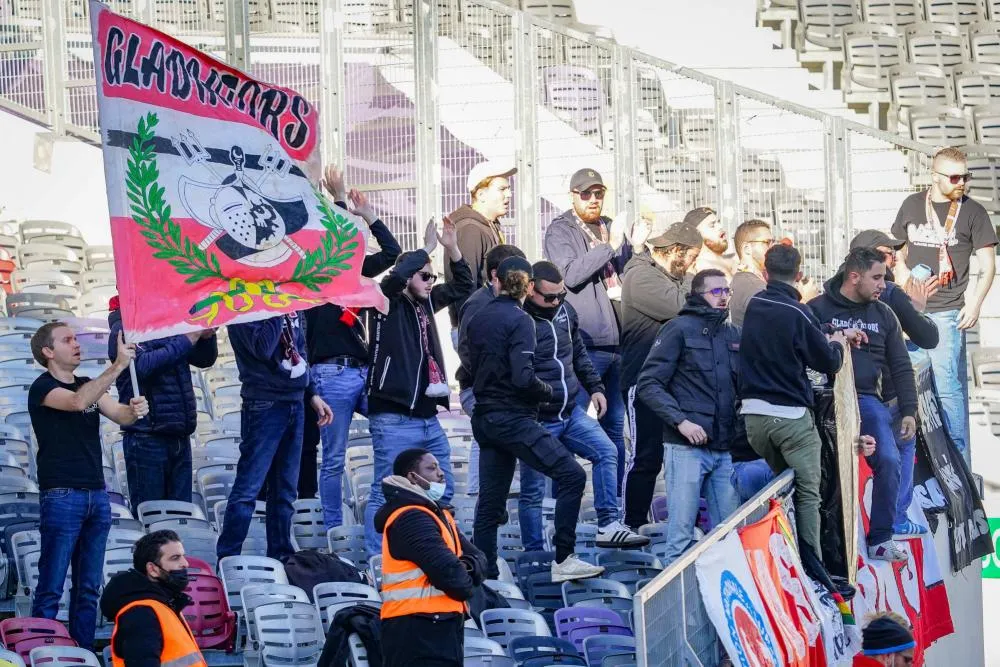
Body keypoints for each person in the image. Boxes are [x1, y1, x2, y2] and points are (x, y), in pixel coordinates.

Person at [466, 256, 604, 582]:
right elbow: (522, 376)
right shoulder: (521, 320)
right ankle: (564, 558)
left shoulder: (477, 315)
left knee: (490, 503)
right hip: (512, 417)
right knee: (571, 475)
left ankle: (482, 578)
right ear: (528, 287)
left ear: (496, 279)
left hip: (485, 417)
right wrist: (546, 392)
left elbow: (472, 365)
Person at [27, 324, 149, 649]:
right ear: (47, 352)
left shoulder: (86, 385)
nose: (76, 344)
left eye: (76, 339)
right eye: (67, 340)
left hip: (97, 493)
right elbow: (79, 402)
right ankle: (41, 651)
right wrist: (118, 365)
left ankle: (80, 653)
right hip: (63, 494)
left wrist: (134, 411)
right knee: (52, 585)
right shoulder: (42, 388)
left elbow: (119, 414)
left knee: (89, 586)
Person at [364, 218, 475, 556]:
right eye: (425, 276)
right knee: (385, 489)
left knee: (444, 487)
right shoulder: (385, 301)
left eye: (433, 277)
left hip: (428, 417)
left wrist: (451, 248)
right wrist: (424, 249)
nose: (431, 282)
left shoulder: (424, 302)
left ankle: (433, 550)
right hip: (393, 415)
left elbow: (463, 286)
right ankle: (376, 559)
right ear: (409, 276)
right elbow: (393, 278)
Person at [739, 244, 857, 561]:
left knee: (782, 486)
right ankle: (811, 567)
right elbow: (828, 362)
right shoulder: (798, 312)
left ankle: (777, 553)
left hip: (753, 418)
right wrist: (838, 343)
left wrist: (827, 329)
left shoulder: (754, 305)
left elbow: (794, 332)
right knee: (808, 494)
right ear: (800, 275)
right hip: (791, 419)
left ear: (765, 274)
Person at [520, 261, 649, 549]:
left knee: (606, 450)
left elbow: (578, 352)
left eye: (560, 295)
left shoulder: (565, 311)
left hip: (569, 411)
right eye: (549, 297)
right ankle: (535, 553)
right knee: (532, 489)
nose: (556, 302)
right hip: (537, 419)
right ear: (530, 290)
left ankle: (608, 524)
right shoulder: (519, 319)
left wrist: (596, 388)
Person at [302, 165, 402, 527]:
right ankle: (333, 528)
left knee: (391, 432)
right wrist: (338, 199)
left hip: (362, 371)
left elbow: (393, 253)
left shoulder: (355, 274)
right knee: (333, 457)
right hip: (329, 372)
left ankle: (379, 511)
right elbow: (334, 239)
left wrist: (370, 216)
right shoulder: (312, 275)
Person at [810, 248, 919, 561]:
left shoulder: (884, 314)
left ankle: (881, 538)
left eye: (883, 277)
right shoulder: (816, 309)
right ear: (854, 277)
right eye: (876, 277)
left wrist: (910, 410)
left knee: (889, 457)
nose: (882, 284)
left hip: (867, 400)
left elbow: (901, 366)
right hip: (826, 398)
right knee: (827, 467)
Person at [891, 145, 998, 460]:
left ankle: (959, 466)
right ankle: (917, 462)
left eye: (966, 177)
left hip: (947, 313)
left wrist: (976, 303)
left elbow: (988, 264)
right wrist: (901, 274)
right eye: (954, 177)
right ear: (934, 177)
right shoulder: (912, 205)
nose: (961, 183)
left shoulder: (973, 211)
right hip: (910, 313)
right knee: (908, 389)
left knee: (946, 389)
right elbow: (897, 247)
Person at [544, 168, 641, 492]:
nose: (593, 199)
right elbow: (570, 275)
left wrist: (635, 249)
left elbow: (627, 273)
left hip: (618, 341)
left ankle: (612, 507)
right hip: (587, 341)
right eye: (586, 193)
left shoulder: (609, 226)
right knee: (570, 423)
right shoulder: (561, 229)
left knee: (615, 427)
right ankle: (562, 501)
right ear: (573, 195)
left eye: (598, 193)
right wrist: (608, 247)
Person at [636, 269, 740, 563]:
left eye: (726, 291)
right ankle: (674, 604)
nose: (723, 297)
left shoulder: (733, 334)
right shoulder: (677, 329)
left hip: (723, 447)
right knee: (680, 535)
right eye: (716, 291)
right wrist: (680, 422)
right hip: (685, 448)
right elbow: (648, 383)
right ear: (698, 295)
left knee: (729, 535)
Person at [218, 313, 333, 561]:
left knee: (286, 491)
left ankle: (281, 555)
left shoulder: (288, 302)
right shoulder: (243, 304)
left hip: (295, 400)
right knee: (249, 488)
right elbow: (263, 348)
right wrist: (276, 310)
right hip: (263, 402)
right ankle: (228, 557)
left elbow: (299, 348)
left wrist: (311, 393)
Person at [850, 229, 940, 537]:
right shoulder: (888, 293)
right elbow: (928, 336)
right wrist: (914, 310)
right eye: (887, 256)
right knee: (898, 447)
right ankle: (894, 520)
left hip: (850, 401)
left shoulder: (830, 293)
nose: (892, 263)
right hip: (878, 397)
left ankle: (882, 524)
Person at [620, 221, 702, 530]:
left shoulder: (673, 276)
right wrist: (693, 286)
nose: (695, 265)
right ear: (678, 252)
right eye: (693, 257)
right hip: (643, 382)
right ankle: (631, 524)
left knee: (679, 459)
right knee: (646, 457)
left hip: (674, 384)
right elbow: (683, 306)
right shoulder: (641, 276)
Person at [375, 449, 487, 667]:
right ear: (412, 477)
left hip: (439, 625)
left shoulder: (437, 514)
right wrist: (465, 571)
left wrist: (466, 567)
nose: (441, 474)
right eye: (431, 468)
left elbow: (481, 559)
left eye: (439, 467)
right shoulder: (411, 518)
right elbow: (455, 580)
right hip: (416, 629)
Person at [108, 298, 217, 510]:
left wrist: (206, 335)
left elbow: (204, 359)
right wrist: (189, 337)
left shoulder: (172, 316)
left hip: (179, 433)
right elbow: (141, 366)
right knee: (153, 518)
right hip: (146, 437)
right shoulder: (124, 326)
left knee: (180, 517)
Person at [455, 243, 527, 497]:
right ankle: (478, 493)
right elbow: (466, 350)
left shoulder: (512, 303)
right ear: (496, 274)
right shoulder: (479, 303)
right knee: (485, 436)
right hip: (479, 388)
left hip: (502, 388)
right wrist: (493, 381)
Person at [101, 530, 204, 667]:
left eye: (183, 556)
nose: (185, 563)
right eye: (175, 558)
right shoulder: (141, 614)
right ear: (152, 569)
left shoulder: (163, 604)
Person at [444, 161, 516, 342]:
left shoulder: (487, 224)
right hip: (478, 330)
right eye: (502, 189)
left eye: (508, 189)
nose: (509, 194)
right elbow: (465, 287)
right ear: (481, 194)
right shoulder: (470, 228)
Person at [730, 219, 774, 327]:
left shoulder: (743, 280)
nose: (773, 247)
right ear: (746, 249)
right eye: (767, 242)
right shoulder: (755, 288)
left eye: (773, 242)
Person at [686, 207, 736, 277]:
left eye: (718, 222)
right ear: (696, 234)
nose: (720, 226)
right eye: (712, 225)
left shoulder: (731, 260)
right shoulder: (704, 267)